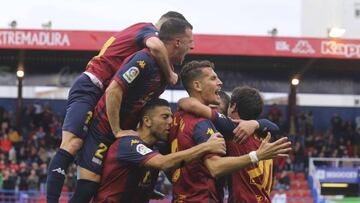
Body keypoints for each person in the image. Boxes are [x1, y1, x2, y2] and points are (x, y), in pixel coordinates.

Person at [46, 11, 189, 202]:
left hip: (101, 95)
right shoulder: (148, 32)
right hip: (91, 85)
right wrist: (171, 74)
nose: (192, 46)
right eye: (189, 42)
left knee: (94, 180)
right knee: (73, 143)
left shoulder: (148, 59)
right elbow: (156, 46)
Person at [170, 60, 291, 202]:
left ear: (232, 107)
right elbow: (274, 127)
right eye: (214, 78)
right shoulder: (266, 138)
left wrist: (187, 102)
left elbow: (214, 166)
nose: (220, 82)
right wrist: (257, 123)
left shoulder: (233, 134)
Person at [92, 98, 226, 203]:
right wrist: (206, 146)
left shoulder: (156, 148)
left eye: (171, 116)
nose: (170, 121)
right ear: (147, 121)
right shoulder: (129, 143)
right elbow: (163, 163)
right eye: (164, 117)